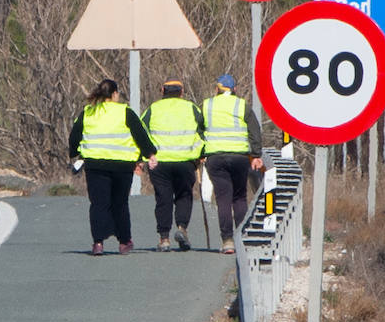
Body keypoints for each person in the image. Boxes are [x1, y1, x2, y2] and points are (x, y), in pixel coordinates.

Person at [68, 78, 156, 255]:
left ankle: (98, 243)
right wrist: (150, 154)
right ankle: (124, 242)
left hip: (95, 164)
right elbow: (140, 135)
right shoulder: (125, 111)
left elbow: (74, 136)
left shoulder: (89, 112)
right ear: (115, 94)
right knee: (120, 203)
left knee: (99, 204)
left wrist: (74, 153)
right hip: (122, 165)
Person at [201, 74, 265, 254]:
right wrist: (256, 154)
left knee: (223, 198)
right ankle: (242, 237)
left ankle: (227, 240)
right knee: (239, 197)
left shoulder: (207, 105)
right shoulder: (242, 105)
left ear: (217, 89)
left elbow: (198, 129)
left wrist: (200, 152)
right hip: (239, 157)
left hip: (215, 157)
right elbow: (255, 130)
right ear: (234, 89)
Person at [141, 78, 204, 251]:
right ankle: (182, 227)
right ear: (181, 92)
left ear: (162, 91)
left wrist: (144, 156)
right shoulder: (191, 108)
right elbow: (203, 131)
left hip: (160, 162)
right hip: (186, 161)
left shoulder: (153, 109)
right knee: (184, 195)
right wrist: (200, 154)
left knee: (163, 198)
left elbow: (141, 132)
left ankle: (164, 238)